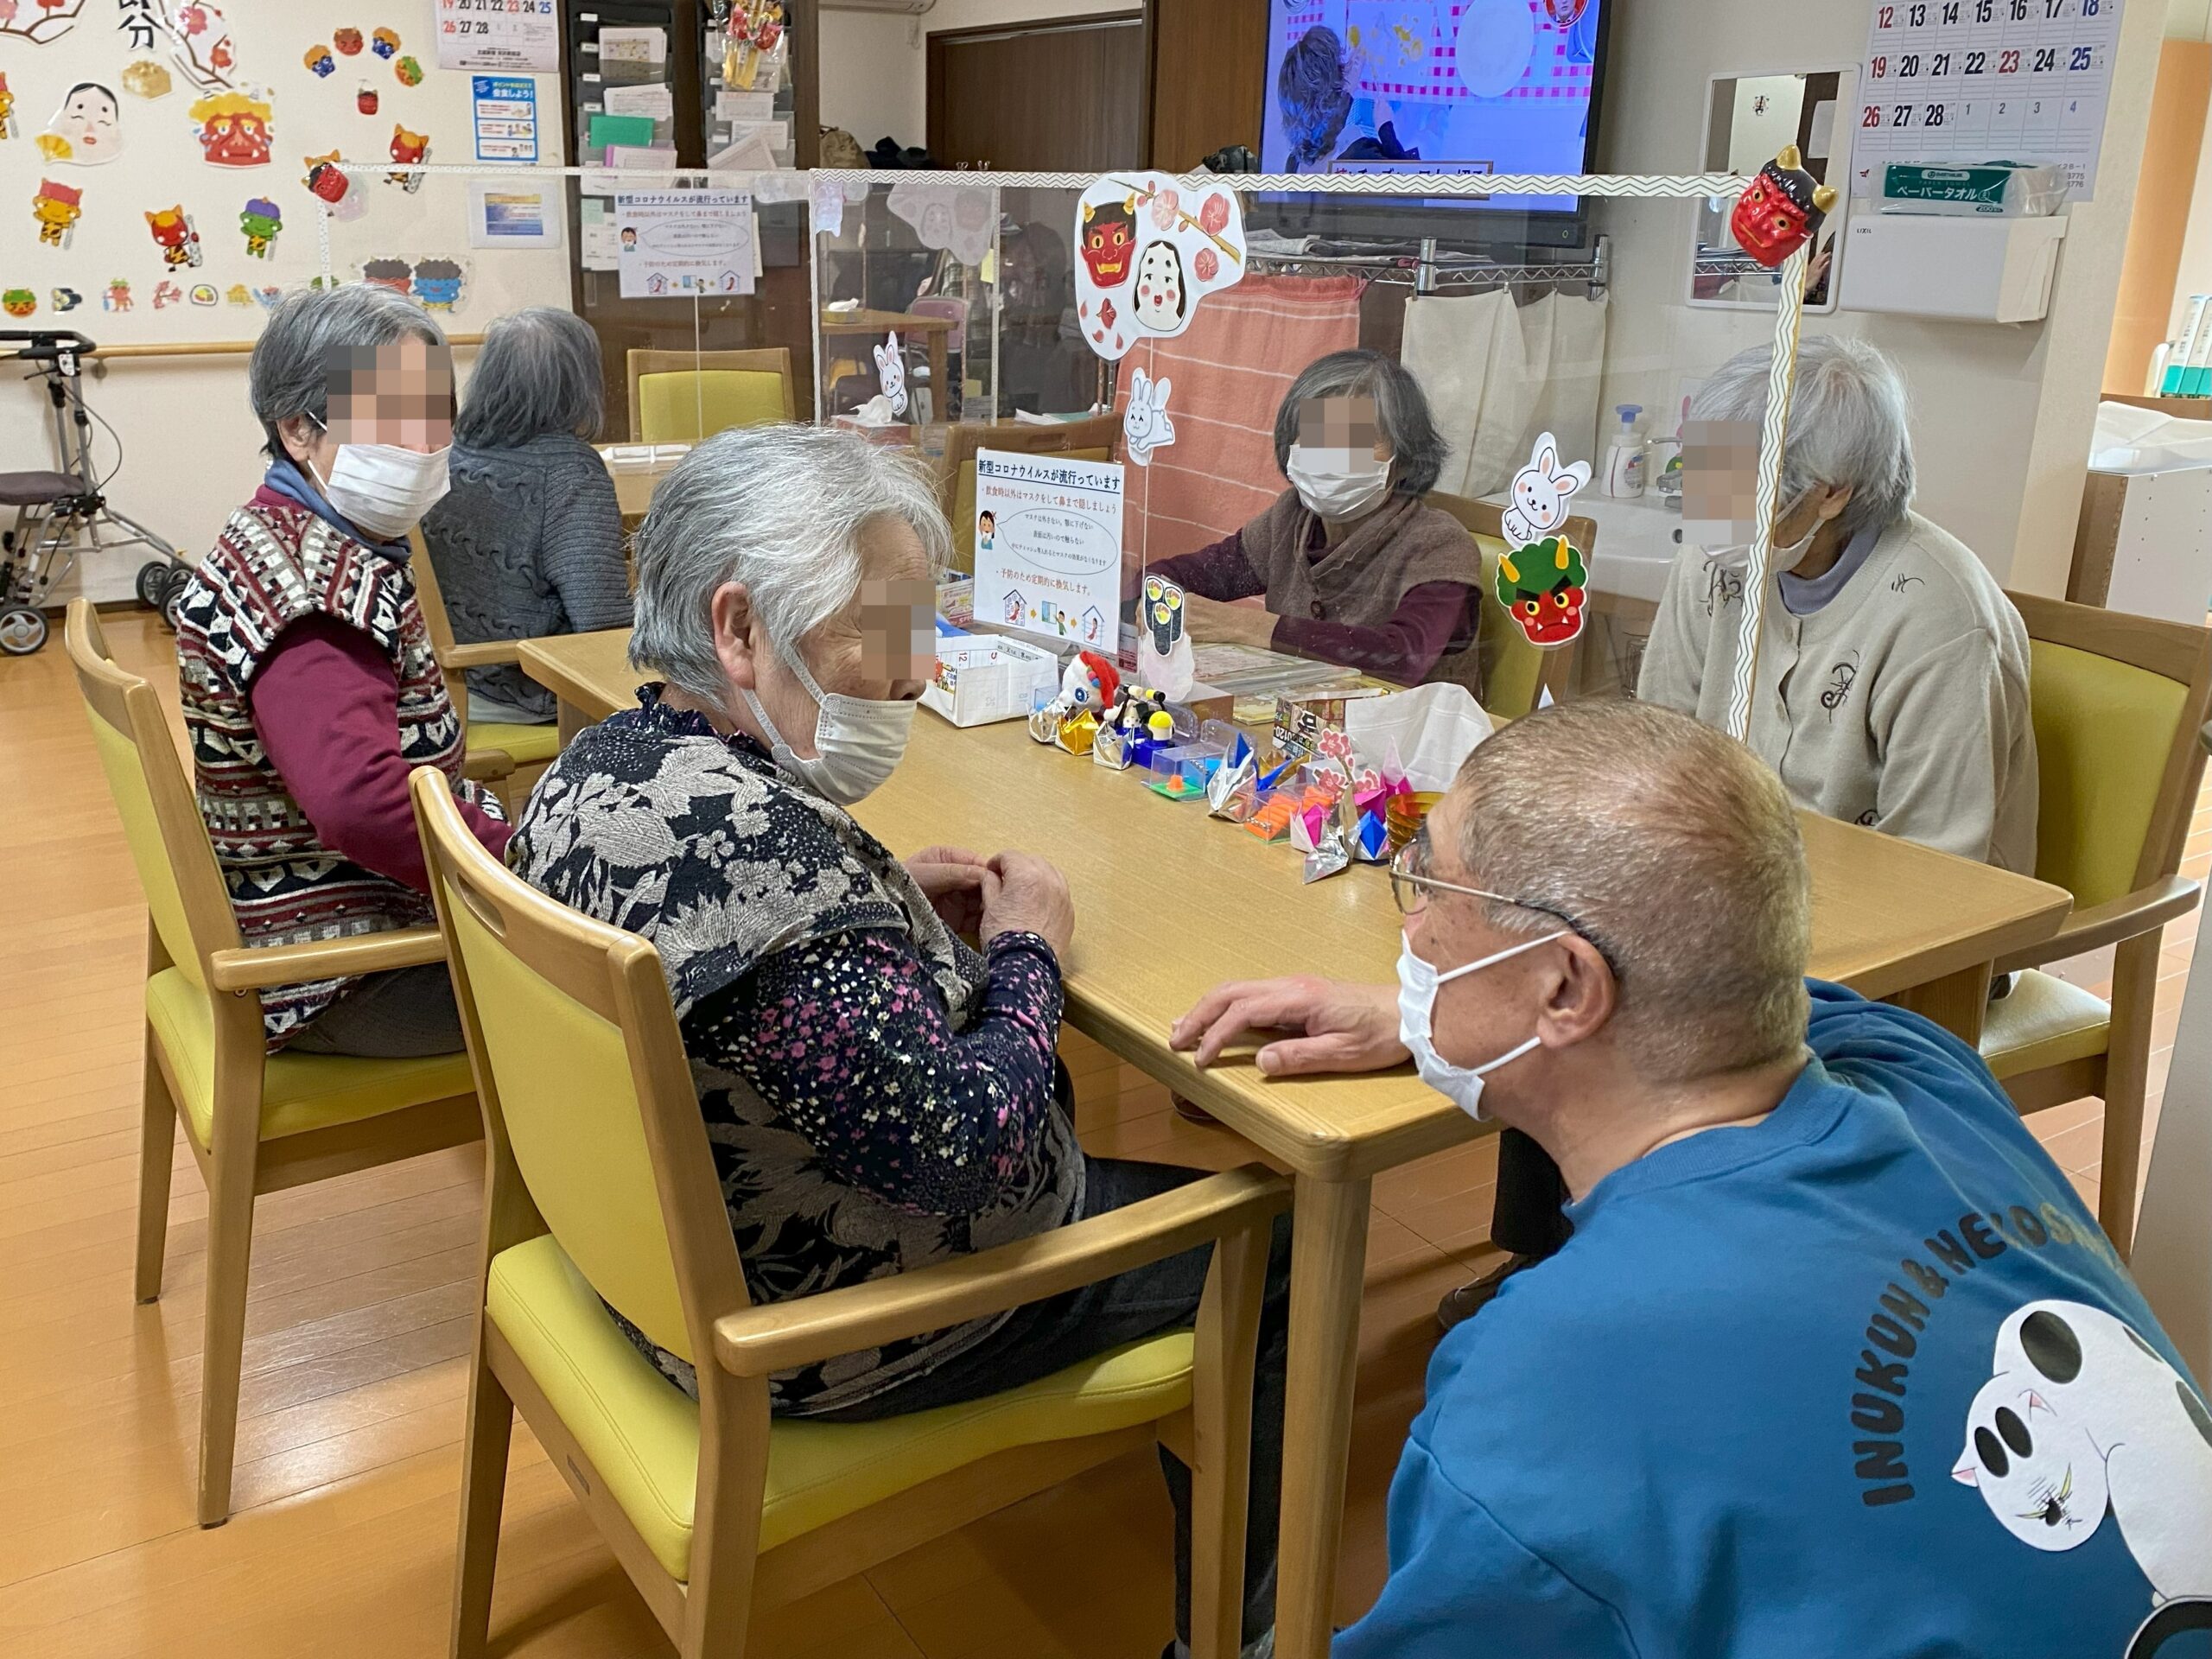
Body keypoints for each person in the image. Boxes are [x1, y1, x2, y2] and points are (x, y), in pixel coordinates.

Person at [1172, 700, 2212, 1659]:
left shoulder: (1540, 1390)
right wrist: (1420, 1012)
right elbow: (1725, 962)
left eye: (1429, 886)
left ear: (1567, 987)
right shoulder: (1920, 1066)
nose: (1412, 928)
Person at [506, 424, 1289, 1659]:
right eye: (879, 630)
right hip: (815, 1328)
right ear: (738, 627)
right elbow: (970, 1150)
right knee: (1279, 1236)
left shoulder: (596, 765)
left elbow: (766, 956)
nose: (916, 671)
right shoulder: (786, 880)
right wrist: (1027, 947)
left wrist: (889, 913)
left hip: (637, 1255)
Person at [170, 284, 506, 1057]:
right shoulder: (313, 600)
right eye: (392, 420)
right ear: (298, 430)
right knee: (657, 983)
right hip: (345, 969)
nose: (423, 447)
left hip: (334, 905)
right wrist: (515, 864)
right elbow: (359, 805)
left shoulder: (290, 530)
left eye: (435, 414)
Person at [1639, 334, 2037, 874]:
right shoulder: (1715, 558)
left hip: (1899, 914)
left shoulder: (1941, 621)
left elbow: (1936, 867)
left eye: (1740, 489)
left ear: (1832, 493)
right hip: (1729, 888)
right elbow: (1661, 747)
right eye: (1702, 475)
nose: (1711, 514)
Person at [1146, 350, 1484, 691]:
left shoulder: (1439, 545)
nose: (1330, 455)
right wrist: (1154, 599)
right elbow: (1180, 576)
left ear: (1407, 459)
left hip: (1409, 734)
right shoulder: (1291, 519)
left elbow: (1401, 657)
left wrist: (1246, 626)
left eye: (1358, 439)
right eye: (1314, 436)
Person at [420, 307, 631, 726]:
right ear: (579, 384)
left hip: (448, 680)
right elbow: (603, 623)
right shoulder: (570, 471)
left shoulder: (448, 448)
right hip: (533, 686)